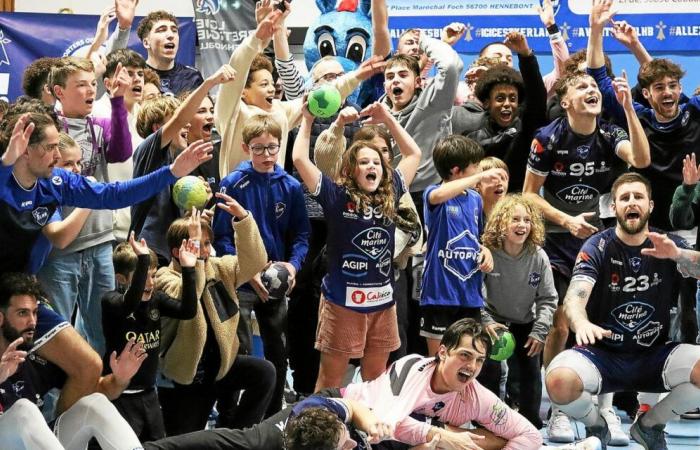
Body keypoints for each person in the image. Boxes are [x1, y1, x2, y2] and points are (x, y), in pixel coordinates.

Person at [523, 66, 650, 443]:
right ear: (565, 102)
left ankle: (606, 410)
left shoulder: (610, 133)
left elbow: (641, 160)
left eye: (594, 85)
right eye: (581, 86)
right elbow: (529, 193)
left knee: (603, 320)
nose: (591, 90)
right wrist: (566, 219)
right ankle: (559, 411)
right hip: (561, 238)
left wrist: (628, 108)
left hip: (603, 240)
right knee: (562, 322)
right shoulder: (547, 138)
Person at [545, 172, 700, 449]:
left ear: (650, 206)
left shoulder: (667, 242)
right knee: (558, 381)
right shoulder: (597, 247)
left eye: (638, 197)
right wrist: (580, 323)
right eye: (624, 198)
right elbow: (574, 297)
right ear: (613, 207)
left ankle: (650, 426)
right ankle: (595, 423)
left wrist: (679, 255)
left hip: (654, 354)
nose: (632, 203)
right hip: (603, 355)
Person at [292, 101, 420, 390]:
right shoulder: (336, 196)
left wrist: (387, 117)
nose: (372, 166)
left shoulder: (393, 190)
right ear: (351, 170)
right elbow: (300, 158)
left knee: (376, 381)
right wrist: (308, 120)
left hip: (382, 304)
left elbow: (414, 153)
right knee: (331, 381)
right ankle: (319, 432)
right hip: (342, 303)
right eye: (364, 162)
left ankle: (369, 435)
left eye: (376, 162)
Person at [213, 114, 309, 416]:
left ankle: (273, 414)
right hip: (241, 281)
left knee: (277, 351)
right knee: (237, 351)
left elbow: (302, 234)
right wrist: (248, 271)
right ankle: (230, 417)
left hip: (277, 281)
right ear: (245, 148)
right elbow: (222, 237)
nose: (267, 155)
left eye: (272, 148)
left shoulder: (290, 186)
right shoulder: (233, 183)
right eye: (259, 149)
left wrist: (292, 267)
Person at [155, 194, 275, 435]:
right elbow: (189, 296)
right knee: (185, 441)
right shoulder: (164, 278)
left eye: (208, 243)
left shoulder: (218, 267)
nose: (208, 251)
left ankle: (233, 435)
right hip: (186, 379)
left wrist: (243, 220)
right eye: (201, 244)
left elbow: (255, 263)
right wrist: (196, 261)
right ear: (179, 252)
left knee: (264, 373)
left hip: (221, 367)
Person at [38, 55, 134, 355]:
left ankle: (97, 398)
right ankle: (52, 402)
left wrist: (118, 102)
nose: (90, 90)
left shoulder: (99, 125)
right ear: (59, 91)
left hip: (100, 242)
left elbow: (120, 152)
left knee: (105, 332)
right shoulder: (48, 129)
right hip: (59, 252)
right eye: (81, 85)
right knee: (56, 337)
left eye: (93, 84)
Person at [341, 318, 543, 449]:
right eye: (465, 355)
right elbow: (385, 424)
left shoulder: (476, 396)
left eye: (479, 360)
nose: (472, 366)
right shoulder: (411, 367)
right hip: (342, 412)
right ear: (443, 352)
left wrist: (454, 438)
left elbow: (530, 435)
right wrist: (448, 436)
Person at [0, 272, 148, 450]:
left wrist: (120, 379)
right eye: (22, 313)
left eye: (35, 313)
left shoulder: (32, 359)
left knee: (94, 403)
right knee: (24, 410)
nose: (32, 322)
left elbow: (101, 388)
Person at [130, 64, 235, 265]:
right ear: (158, 128)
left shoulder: (176, 161)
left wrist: (196, 209)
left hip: (172, 253)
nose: (187, 124)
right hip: (149, 252)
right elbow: (180, 118)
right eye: (180, 120)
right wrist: (210, 82)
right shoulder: (148, 151)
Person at [101, 229, 199, 441]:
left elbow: (188, 311)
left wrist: (189, 269)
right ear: (121, 279)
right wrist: (143, 258)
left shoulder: (156, 299)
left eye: (153, 275)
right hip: (120, 395)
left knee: (158, 444)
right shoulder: (111, 302)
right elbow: (130, 304)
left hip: (148, 393)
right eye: (142, 277)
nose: (151, 283)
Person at [419, 135, 504, 355]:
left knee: (469, 358)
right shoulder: (435, 194)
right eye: (475, 166)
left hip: (469, 295)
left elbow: (475, 237)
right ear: (457, 171)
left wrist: (485, 251)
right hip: (440, 294)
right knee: (438, 362)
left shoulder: (475, 199)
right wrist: (483, 175)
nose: (479, 170)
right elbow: (438, 195)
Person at [478, 194, 557, 429]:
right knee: (489, 370)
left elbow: (548, 297)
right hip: (493, 320)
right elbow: (472, 293)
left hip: (526, 321)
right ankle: (486, 421)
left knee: (530, 371)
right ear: (501, 223)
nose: (522, 225)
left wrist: (540, 331)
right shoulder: (488, 252)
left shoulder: (538, 256)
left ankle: (529, 421)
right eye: (515, 219)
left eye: (527, 220)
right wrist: (485, 322)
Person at [140, 394, 392, 450]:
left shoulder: (319, 409)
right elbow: (208, 441)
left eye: (343, 435)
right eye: (343, 445)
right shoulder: (263, 443)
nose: (350, 445)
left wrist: (370, 424)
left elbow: (351, 406)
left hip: (355, 396)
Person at [136, 10, 204, 96]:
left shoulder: (192, 76)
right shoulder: (137, 76)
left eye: (174, 30)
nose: (171, 35)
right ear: (146, 42)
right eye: (161, 30)